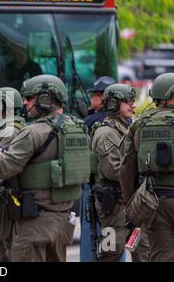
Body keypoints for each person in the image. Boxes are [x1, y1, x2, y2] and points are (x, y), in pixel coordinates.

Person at [0, 75, 90, 262]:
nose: (25, 103)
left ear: (45, 99)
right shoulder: (80, 129)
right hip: (63, 222)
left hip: (33, 224)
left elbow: (3, 169)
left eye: (30, 98)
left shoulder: (32, 132)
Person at [90, 83, 149, 262]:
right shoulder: (106, 133)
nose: (133, 105)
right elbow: (113, 170)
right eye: (128, 101)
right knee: (110, 253)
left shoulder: (125, 128)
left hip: (131, 202)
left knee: (144, 250)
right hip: (113, 205)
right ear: (113, 104)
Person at [119, 73, 174, 262]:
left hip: (154, 203)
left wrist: (132, 205)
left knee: (161, 256)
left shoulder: (139, 125)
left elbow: (126, 170)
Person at [0, 87, 26, 262]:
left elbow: (3, 167)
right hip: (7, 195)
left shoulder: (9, 129)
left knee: (5, 247)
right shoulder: (16, 126)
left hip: (5, 197)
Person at [80, 75, 115, 262]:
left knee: (89, 233)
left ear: (102, 98)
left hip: (92, 186)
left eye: (94, 95)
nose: (92, 98)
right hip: (117, 188)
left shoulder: (89, 121)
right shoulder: (126, 122)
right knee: (113, 237)